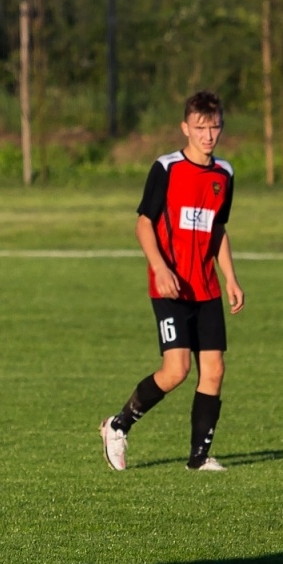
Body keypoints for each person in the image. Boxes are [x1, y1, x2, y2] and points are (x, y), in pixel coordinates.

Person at [100, 90, 245, 472]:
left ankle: (198, 458)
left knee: (214, 370)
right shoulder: (166, 168)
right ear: (185, 128)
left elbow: (218, 229)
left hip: (207, 287)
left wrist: (230, 277)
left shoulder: (224, 174)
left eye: (214, 127)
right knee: (177, 370)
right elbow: (143, 222)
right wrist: (160, 268)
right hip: (171, 287)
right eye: (200, 127)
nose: (208, 135)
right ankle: (118, 425)